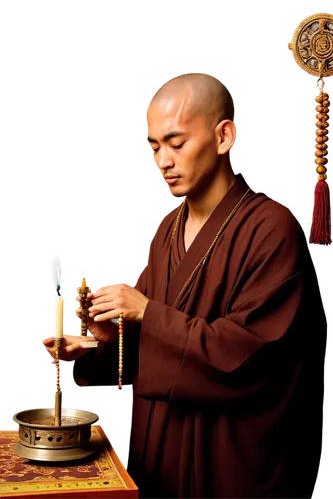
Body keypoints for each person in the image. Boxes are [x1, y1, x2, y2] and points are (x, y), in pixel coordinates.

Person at [43, 72, 322, 498]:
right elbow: (152, 344)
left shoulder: (271, 228)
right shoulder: (169, 228)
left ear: (225, 136)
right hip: (161, 454)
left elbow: (252, 357)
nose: (163, 162)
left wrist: (145, 312)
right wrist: (99, 343)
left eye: (177, 143)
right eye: (154, 146)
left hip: (230, 460)